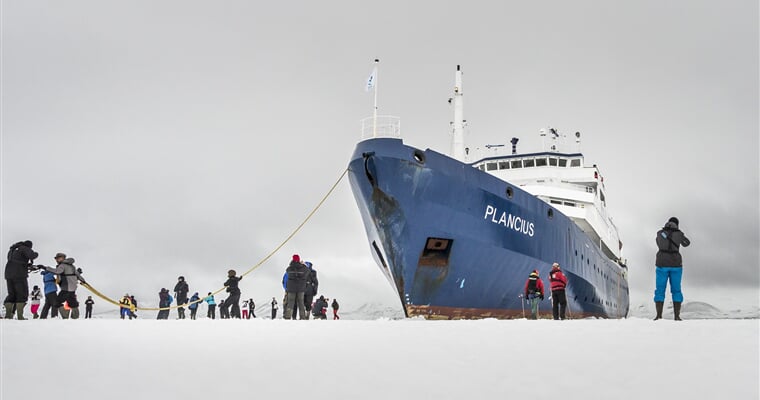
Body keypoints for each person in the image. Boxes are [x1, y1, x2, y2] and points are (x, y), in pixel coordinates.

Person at [654, 217, 691, 321]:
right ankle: (677, 316)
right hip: (676, 264)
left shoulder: (659, 233)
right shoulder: (679, 234)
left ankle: (658, 315)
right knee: (676, 290)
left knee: (660, 290)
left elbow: (658, 243)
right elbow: (687, 243)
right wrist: (680, 235)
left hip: (661, 263)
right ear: (677, 224)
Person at [41, 253, 86, 319]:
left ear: (63, 258)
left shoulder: (62, 265)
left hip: (66, 288)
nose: (57, 259)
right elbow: (78, 275)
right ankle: (75, 317)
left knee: (57, 302)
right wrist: (83, 281)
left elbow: (57, 271)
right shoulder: (72, 266)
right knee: (72, 302)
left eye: (59, 258)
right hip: (72, 288)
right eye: (56, 258)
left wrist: (45, 267)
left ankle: (65, 317)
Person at [4, 240, 38, 320]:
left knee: (11, 294)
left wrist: (26, 265)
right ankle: (20, 316)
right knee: (22, 294)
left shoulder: (12, 250)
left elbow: (17, 261)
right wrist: (36, 253)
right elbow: (32, 255)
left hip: (8, 274)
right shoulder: (24, 248)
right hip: (19, 274)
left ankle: (8, 316)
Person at [284, 254, 309, 320]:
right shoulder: (303, 268)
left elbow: (287, 271)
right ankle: (302, 317)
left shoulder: (290, 268)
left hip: (291, 289)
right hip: (301, 288)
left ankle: (288, 317)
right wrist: (303, 264)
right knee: (301, 303)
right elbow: (308, 272)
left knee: (290, 303)